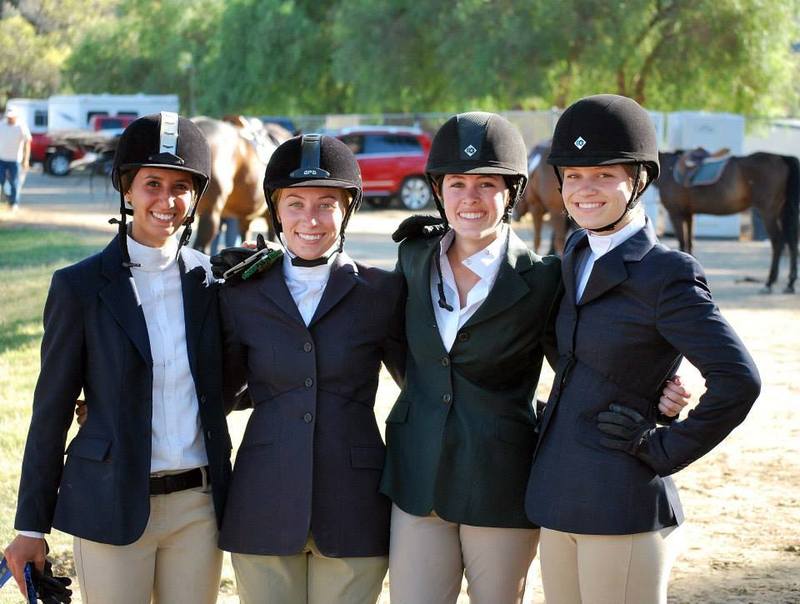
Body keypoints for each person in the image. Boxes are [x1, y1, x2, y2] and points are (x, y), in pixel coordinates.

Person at [524, 94, 761, 604]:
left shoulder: (667, 273)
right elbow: (573, 355)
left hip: (621, 500)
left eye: (604, 175)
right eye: (574, 175)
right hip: (556, 492)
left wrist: (664, 448)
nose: (585, 190)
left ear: (638, 181)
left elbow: (739, 380)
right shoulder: (576, 250)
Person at [3, 112, 236, 603]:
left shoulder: (211, 283)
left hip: (199, 507)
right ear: (127, 190)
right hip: (109, 499)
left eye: (181, 186)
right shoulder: (79, 288)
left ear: (197, 197)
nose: (166, 200)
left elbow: (232, 383)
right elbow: (50, 411)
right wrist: (30, 525)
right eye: (152, 183)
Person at [216, 134, 406, 604]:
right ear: (276, 212)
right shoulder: (241, 292)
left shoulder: (382, 292)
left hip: (354, 503)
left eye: (326, 204)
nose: (310, 219)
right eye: (295, 203)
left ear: (348, 210)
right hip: (263, 498)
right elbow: (218, 391)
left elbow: (422, 386)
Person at [0, 106, 32, 210]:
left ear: (16, 117)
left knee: (14, 182)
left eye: (12, 117)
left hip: (15, 159)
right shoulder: (1, 125)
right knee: (1, 181)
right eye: (8, 117)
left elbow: (28, 142)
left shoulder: (21, 126)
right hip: (2, 158)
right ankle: (7, 198)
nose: (10, 119)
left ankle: (14, 203)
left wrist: (26, 160)